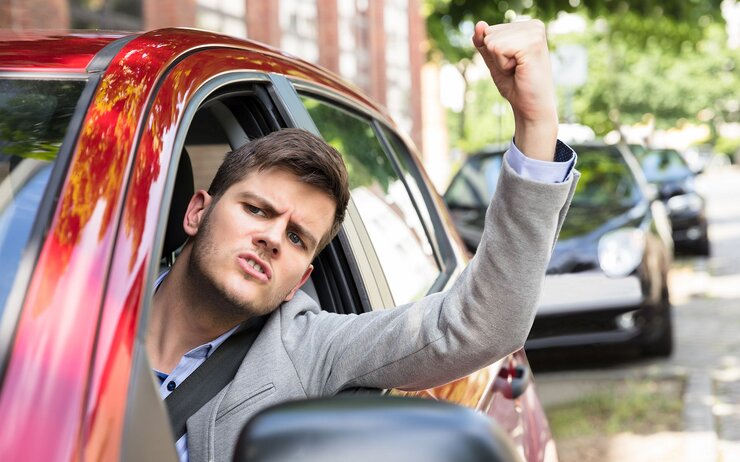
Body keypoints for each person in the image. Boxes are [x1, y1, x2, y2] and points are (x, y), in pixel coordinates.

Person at [148, 19, 579, 462]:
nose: (273, 238)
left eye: (298, 238)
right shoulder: (83, 307)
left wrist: (535, 121)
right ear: (198, 210)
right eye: (256, 210)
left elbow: (481, 325)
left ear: (300, 281)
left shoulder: (310, 350)